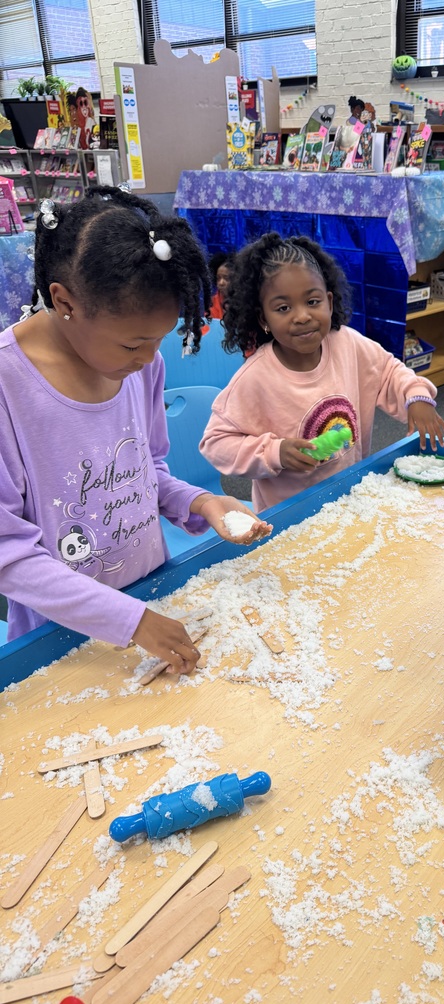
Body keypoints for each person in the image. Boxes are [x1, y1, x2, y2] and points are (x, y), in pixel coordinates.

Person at [0, 186, 271, 671]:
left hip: (150, 594)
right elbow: (10, 556)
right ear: (63, 301)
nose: (149, 360)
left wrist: (201, 501)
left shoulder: (140, 365)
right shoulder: (8, 388)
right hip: (60, 642)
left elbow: (145, 471)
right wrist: (131, 622)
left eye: (158, 342)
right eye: (132, 345)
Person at [200, 233, 444, 512]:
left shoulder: (347, 343)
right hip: (290, 516)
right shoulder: (255, 378)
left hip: (350, 496)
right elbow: (216, 442)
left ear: (329, 302)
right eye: (283, 308)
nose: (302, 316)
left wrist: (416, 396)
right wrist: (275, 452)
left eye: (313, 302)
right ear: (263, 319)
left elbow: (389, 372)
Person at [208, 251, 235, 320]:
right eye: (218, 278)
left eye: (226, 278)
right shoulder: (211, 302)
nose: (221, 283)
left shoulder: (247, 303)